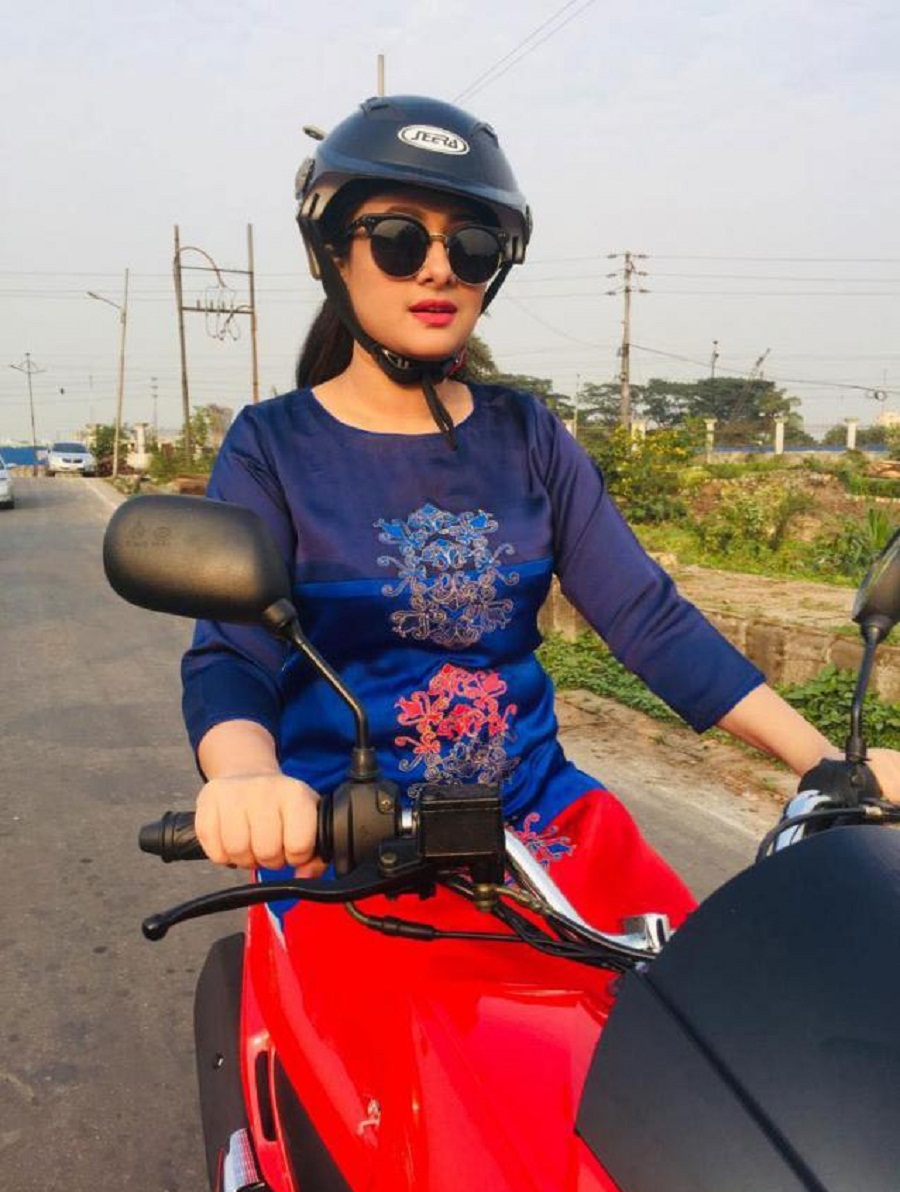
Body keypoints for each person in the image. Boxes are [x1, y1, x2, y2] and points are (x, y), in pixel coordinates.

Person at [182, 94, 900, 930]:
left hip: (537, 826)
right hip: (343, 838)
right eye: (400, 239)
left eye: (471, 246)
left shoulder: (528, 435)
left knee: (701, 991)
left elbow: (646, 617)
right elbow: (231, 652)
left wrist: (831, 765)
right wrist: (245, 776)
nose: (438, 269)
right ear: (333, 252)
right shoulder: (271, 446)